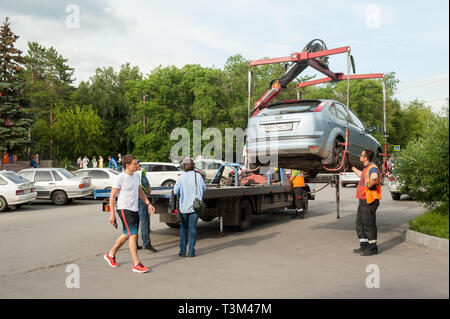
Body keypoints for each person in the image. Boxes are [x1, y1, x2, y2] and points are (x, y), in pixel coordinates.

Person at [104, 154, 156, 273]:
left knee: (127, 234)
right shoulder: (120, 178)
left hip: (134, 209)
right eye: (135, 164)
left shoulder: (136, 176)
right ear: (127, 165)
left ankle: (110, 254)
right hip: (123, 208)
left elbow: (140, 192)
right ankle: (136, 263)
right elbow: (112, 196)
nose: (137, 165)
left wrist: (148, 204)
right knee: (133, 234)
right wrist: (112, 214)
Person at [173, 157, 206, 257]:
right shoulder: (198, 176)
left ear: (184, 166)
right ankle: (191, 251)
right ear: (193, 165)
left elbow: (175, 192)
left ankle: (182, 251)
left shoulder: (181, 177)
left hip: (183, 207)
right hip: (195, 207)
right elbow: (204, 188)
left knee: (183, 228)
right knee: (192, 228)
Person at [351, 149, 382, 256]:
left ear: (365, 158)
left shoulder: (372, 168)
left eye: (361, 155)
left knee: (368, 224)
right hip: (363, 200)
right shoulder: (366, 168)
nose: (360, 156)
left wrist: (369, 184)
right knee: (360, 223)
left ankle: (372, 247)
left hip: (369, 201)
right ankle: (364, 245)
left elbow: (374, 177)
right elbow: (361, 175)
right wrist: (352, 167)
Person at [136, 160, 158, 252]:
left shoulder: (128, 173)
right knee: (144, 221)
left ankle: (134, 243)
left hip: (132, 199)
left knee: (135, 222)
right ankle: (146, 243)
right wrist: (148, 191)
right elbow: (147, 188)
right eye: (138, 164)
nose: (139, 166)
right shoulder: (141, 173)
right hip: (141, 199)